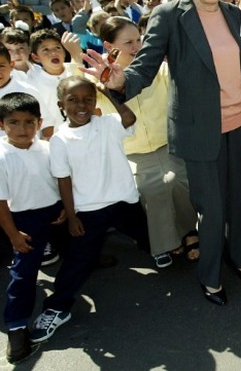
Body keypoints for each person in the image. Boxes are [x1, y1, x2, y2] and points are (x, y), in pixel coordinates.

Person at [81, 0, 241, 306]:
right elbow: (143, 68)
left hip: (238, 123)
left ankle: (240, 258)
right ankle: (210, 276)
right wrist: (119, 80)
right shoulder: (169, 16)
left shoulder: (231, 13)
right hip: (199, 132)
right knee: (213, 210)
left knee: (239, 199)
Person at [30, 76, 150, 343]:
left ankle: (165, 250)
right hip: (89, 211)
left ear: (97, 101)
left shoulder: (107, 123)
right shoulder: (60, 139)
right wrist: (72, 216)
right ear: (61, 105)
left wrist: (109, 92)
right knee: (78, 261)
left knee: (145, 234)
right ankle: (57, 308)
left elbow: (128, 120)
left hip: (122, 200)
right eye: (72, 100)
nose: (81, 105)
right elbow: (64, 179)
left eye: (88, 98)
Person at [95, 16, 199, 269]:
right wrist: (104, 86)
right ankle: (165, 241)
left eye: (139, 40)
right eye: (128, 42)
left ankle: (187, 231)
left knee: (178, 181)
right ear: (109, 47)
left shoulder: (160, 69)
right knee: (150, 188)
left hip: (168, 144)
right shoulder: (98, 79)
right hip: (131, 152)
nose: (137, 46)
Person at [0, 92, 64, 364]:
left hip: (56, 212)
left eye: (29, 122)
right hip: (24, 220)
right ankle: (16, 327)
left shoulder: (49, 148)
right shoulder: (2, 157)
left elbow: (61, 179)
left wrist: (65, 208)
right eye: (13, 122)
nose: (22, 129)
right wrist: (13, 234)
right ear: (1, 125)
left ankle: (90, 260)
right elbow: (1, 203)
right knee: (24, 272)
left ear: (39, 123)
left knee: (80, 246)